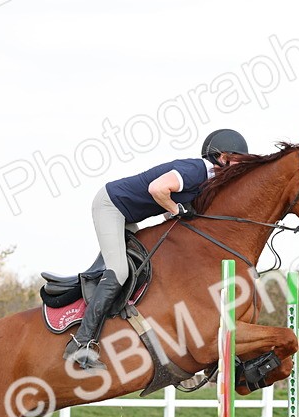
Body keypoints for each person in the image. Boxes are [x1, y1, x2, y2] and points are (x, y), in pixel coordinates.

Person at [65, 128, 249, 370]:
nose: (239, 165)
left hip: (127, 215)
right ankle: (80, 342)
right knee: (119, 271)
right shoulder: (195, 169)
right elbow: (157, 189)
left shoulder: (205, 180)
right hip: (111, 206)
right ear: (220, 156)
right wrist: (176, 211)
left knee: (139, 267)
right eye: (237, 159)